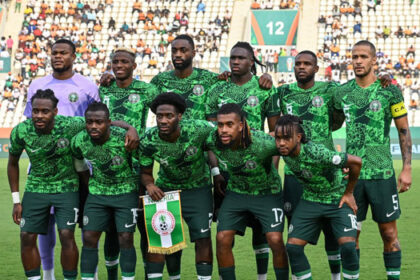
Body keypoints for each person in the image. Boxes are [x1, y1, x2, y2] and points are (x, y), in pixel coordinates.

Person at [334, 40, 412, 280]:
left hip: (382, 175)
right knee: (350, 238)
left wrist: (407, 167)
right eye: (354, 56)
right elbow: (332, 122)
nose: (358, 61)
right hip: (352, 177)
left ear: (374, 60)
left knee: (389, 234)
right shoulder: (342, 92)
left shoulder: (390, 90)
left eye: (363, 57)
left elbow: (403, 130)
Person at [22, 38, 100, 280]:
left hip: (78, 167)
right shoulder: (37, 84)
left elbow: (98, 121)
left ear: (74, 56)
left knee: (87, 225)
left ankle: (91, 274)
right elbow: (29, 123)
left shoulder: (87, 86)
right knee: (44, 226)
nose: (58, 56)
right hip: (44, 167)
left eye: (63, 53)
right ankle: (47, 275)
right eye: (54, 52)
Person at [206, 41, 281, 280]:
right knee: (223, 233)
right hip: (228, 171)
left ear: (252, 62)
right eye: (232, 58)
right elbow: (210, 135)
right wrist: (216, 171)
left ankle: (262, 277)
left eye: (241, 58)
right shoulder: (216, 89)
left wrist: (271, 168)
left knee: (263, 233)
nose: (236, 62)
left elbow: (275, 133)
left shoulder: (265, 88)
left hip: (260, 168)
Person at [277, 50, 345, 280]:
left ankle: (336, 276)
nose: (301, 67)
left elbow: (338, 118)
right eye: (298, 63)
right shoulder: (283, 92)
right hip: (294, 172)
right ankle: (298, 276)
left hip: (326, 172)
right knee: (294, 231)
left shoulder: (329, 90)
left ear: (316, 69)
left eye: (307, 64)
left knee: (331, 232)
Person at [8, 89, 88, 280]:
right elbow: (12, 164)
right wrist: (16, 201)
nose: (39, 115)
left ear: (55, 112)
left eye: (45, 111)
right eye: (35, 111)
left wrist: (130, 128)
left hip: (67, 187)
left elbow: (100, 123)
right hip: (37, 188)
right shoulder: (21, 130)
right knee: (26, 236)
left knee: (66, 234)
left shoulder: (71, 125)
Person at [138, 93, 218, 280]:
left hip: (198, 189)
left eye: (169, 116)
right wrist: (149, 185)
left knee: (203, 238)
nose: (163, 120)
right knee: (161, 240)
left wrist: (216, 173)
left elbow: (214, 144)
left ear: (180, 116)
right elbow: (145, 172)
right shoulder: (148, 139)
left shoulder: (199, 128)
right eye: (159, 116)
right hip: (166, 190)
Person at [275, 115, 362, 280]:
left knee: (349, 246)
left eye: (286, 138)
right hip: (310, 200)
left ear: (298, 138)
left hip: (336, 199)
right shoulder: (282, 148)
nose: (281, 143)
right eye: (278, 138)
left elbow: (356, 162)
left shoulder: (317, 152)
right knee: (293, 248)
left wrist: (349, 192)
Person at [206, 103, 288, 280]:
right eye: (220, 125)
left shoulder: (262, 143)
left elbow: (293, 147)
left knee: (275, 239)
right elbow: (202, 145)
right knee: (222, 238)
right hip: (237, 193)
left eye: (230, 124)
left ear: (241, 125)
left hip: (267, 193)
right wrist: (216, 173)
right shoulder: (212, 139)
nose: (224, 130)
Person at [99, 47, 160, 279]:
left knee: (144, 225)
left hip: (138, 165)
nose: (119, 65)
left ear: (134, 66)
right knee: (113, 230)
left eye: (124, 62)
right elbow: (96, 117)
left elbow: (166, 110)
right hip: (108, 167)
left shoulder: (147, 90)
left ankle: (149, 273)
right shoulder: (104, 87)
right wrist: (125, 126)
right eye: (115, 61)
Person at [71, 103, 139, 280]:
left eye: (99, 122)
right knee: (89, 237)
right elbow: (79, 163)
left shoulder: (125, 138)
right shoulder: (78, 140)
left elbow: (138, 165)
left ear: (109, 122)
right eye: (89, 122)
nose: (93, 126)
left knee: (125, 238)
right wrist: (90, 184)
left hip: (125, 192)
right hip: (97, 194)